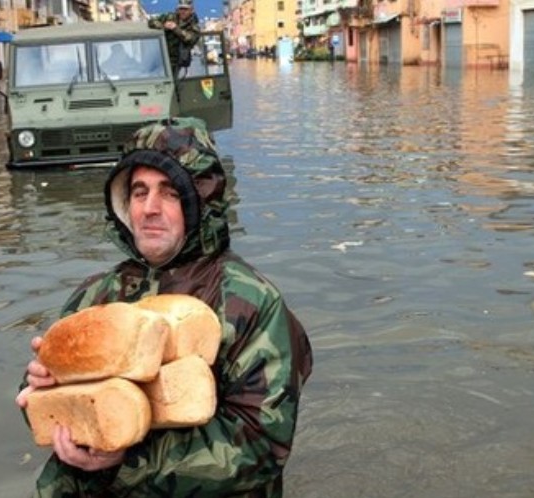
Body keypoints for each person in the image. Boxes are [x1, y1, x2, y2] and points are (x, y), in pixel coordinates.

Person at [16, 117, 314, 497]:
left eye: (170, 193)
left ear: (199, 203)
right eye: (139, 193)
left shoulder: (250, 302)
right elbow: (43, 408)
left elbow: (261, 445)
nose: (149, 208)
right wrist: (42, 385)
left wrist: (125, 460)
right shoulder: (97, 294)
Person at [147, 0, 201, 75]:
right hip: (160, 55)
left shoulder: (194, 25)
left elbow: (190, 39)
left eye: (185, 9)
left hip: (176, 60)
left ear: (191, 10)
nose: (183, 11)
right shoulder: (170, 17)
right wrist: (163, 26)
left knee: (171, 78)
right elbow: (151, 22)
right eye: (181, 9)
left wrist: (175, 28)